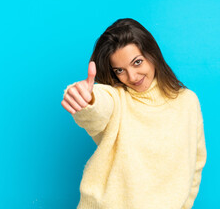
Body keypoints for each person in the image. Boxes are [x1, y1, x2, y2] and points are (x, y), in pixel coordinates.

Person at [61, 18, 207, 209]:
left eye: (137, 62)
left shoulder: (188, 101)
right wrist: (85, 98)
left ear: (152, 55)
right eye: (120, 70)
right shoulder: (117, 98)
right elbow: (99, 105)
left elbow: (196, 163)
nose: (132, 77)